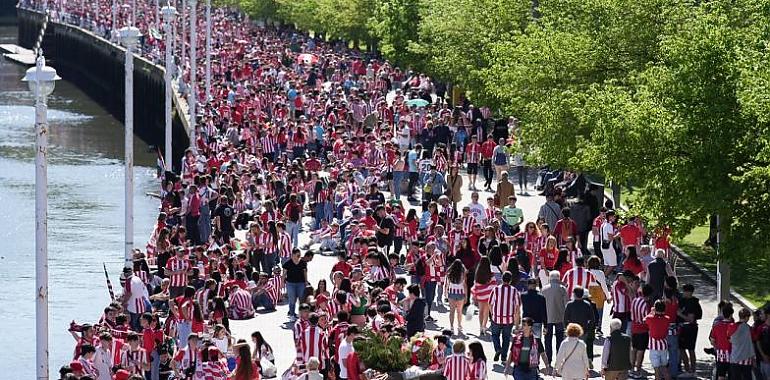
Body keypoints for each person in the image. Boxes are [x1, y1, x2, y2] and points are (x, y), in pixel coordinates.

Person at [489, 271, 522, 362]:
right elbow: (517, 308)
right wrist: (517, 323)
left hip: (497, 318)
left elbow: (490, 303)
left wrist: (493, 314)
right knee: (506, 338)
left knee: (495, 335)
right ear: (510, 280)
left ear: (502, 279)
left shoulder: (495, 289)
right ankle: (504, 356)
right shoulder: (514, 291)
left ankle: (498, 349)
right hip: (509, 319)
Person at [564, 286, 596, 365]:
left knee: (571, 348)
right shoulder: (587, 305)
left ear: (574, 294)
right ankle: (583, 362)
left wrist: (566, 328)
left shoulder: (569, 304)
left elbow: (565, 319)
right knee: (582, 348)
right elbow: (592, 319)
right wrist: (588, 328)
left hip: (572, 330)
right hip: (583, 330)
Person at [541, 270, 567, 366]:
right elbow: (566, 304)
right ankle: (559, 360)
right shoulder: (562, 289)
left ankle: (549, 360)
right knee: (560, 339)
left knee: (548, 339)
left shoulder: (544, 289)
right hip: (560, 317)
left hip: (547, 318)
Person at [678, 283, 702, 377]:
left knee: (690, 349)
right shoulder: (682, 300)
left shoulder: (693, 303)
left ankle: (691, 370)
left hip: (689, 328)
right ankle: (688, 369)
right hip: (684, 327)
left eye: (684, 291)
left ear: (689, 292)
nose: (683, 293)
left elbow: (691, 319)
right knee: (682, 348)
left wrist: (680, 314)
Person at [646, 300, 672, 380]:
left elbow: (645, 319)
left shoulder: (650, 318)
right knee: (664, 368)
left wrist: (652, 311)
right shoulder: (667, 319)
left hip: (654, 347)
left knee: (656, 370)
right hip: (663, 345)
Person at [729, 308, 755, 380]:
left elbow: (729, 339)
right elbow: (753, 341)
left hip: (734, 357)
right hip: (746, 358)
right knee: (747, 377)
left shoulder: (732, 326)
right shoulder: (749, 329)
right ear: (746, 317)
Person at [283, 248, 308, 320]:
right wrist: (282, 283)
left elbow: (305, 273)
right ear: (293, 255)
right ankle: (292, 314)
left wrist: (306, 281)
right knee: (292, 299)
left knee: (301, 299)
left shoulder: (303, 263)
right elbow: (284, 274)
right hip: (290, 284)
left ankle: (301, 315)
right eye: (297, 255)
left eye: (299, 255)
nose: (299, 257)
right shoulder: (287, 263)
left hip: (301, 283)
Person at [445, 259, 467, 335]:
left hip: (451, 293)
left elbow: (447, 284)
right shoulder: (462, 274)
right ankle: (459, 325)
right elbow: (464, 286)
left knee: (452, 311)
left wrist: (445, 293)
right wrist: (466, 296)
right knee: (459, 311)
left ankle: (451, 326)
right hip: (460, 294)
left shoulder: (449, 274)